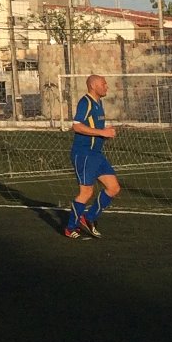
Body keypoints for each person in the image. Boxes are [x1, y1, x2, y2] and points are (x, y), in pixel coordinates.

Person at [65, 74, 120, 239]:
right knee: (86, 192)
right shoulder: (85, 102)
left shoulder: (99, 103)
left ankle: (88, 218)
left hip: (96, 154)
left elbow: (93, 128)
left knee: (113, 188)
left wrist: (105, 133)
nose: (106, 86)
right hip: (84, 154)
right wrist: (102, 132)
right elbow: (77, 126)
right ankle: (70, 228)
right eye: (104, 84)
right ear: (94, 86)